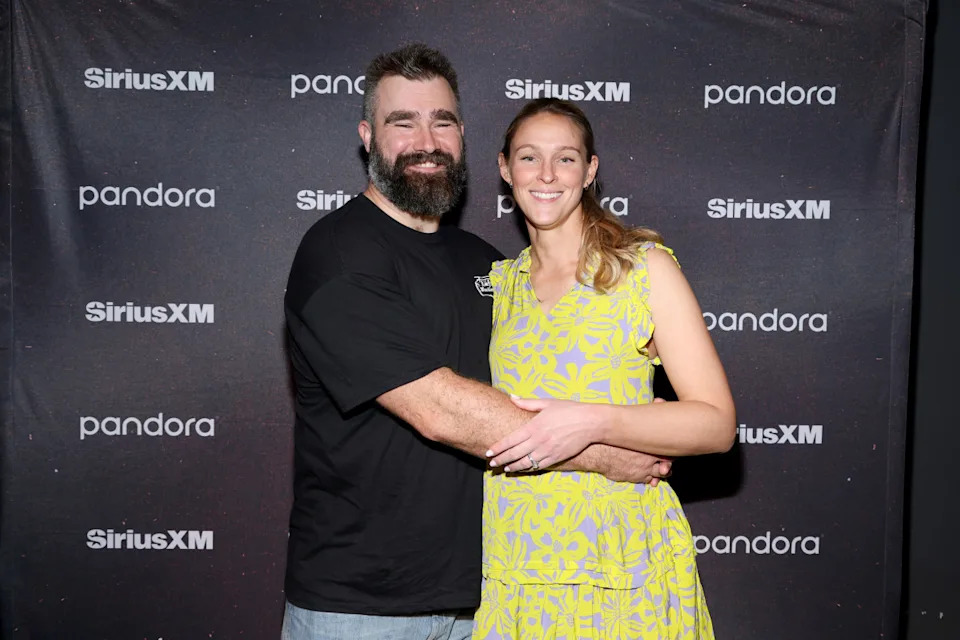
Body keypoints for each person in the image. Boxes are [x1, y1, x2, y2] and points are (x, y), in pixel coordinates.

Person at [281, 45, 672, 640]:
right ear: (367, 136)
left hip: (490, 601)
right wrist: (605, 453)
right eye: (402, 121)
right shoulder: (339, 253)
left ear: (462, 136)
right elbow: (439, 410)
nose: (427, 140)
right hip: (363, 607)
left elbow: (557, 374)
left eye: (442, 121)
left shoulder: (491, 266)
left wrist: (644, 417)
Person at [471, 98, 736, 640]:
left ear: (590, 171)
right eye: (529, 158)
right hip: (518, 558)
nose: (546, 175)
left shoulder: (643, 269)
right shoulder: (498, 286)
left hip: (622, 557)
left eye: (565, 159)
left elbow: (716, 425)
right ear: (504, 169)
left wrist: (593, 421)